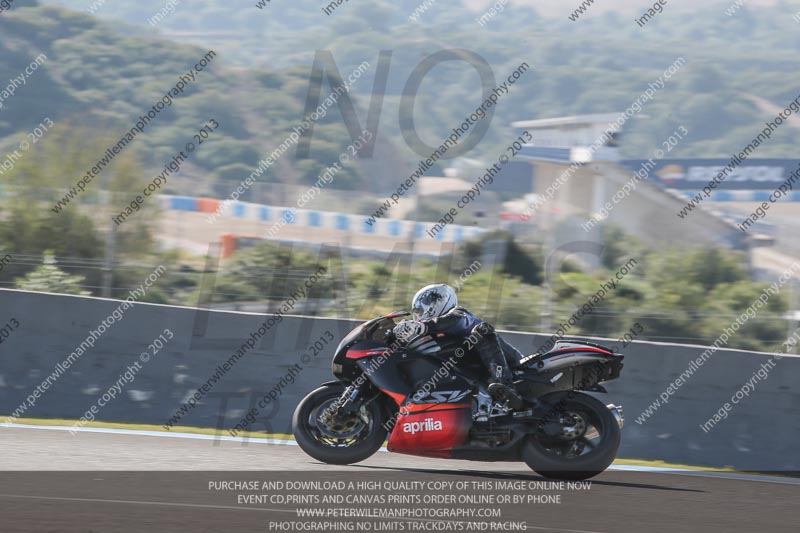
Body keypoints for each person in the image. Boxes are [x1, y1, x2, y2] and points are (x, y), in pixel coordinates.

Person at [391, 283, 524, 409]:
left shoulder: (459, 314)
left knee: (482, 330)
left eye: (421, 311)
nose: (418, 316)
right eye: (417, 312)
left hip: (514, 363)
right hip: (475, 375)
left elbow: (455, 322)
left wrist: (422, 326)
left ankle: (506, 387)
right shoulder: (432, 332)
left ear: (435, 306)